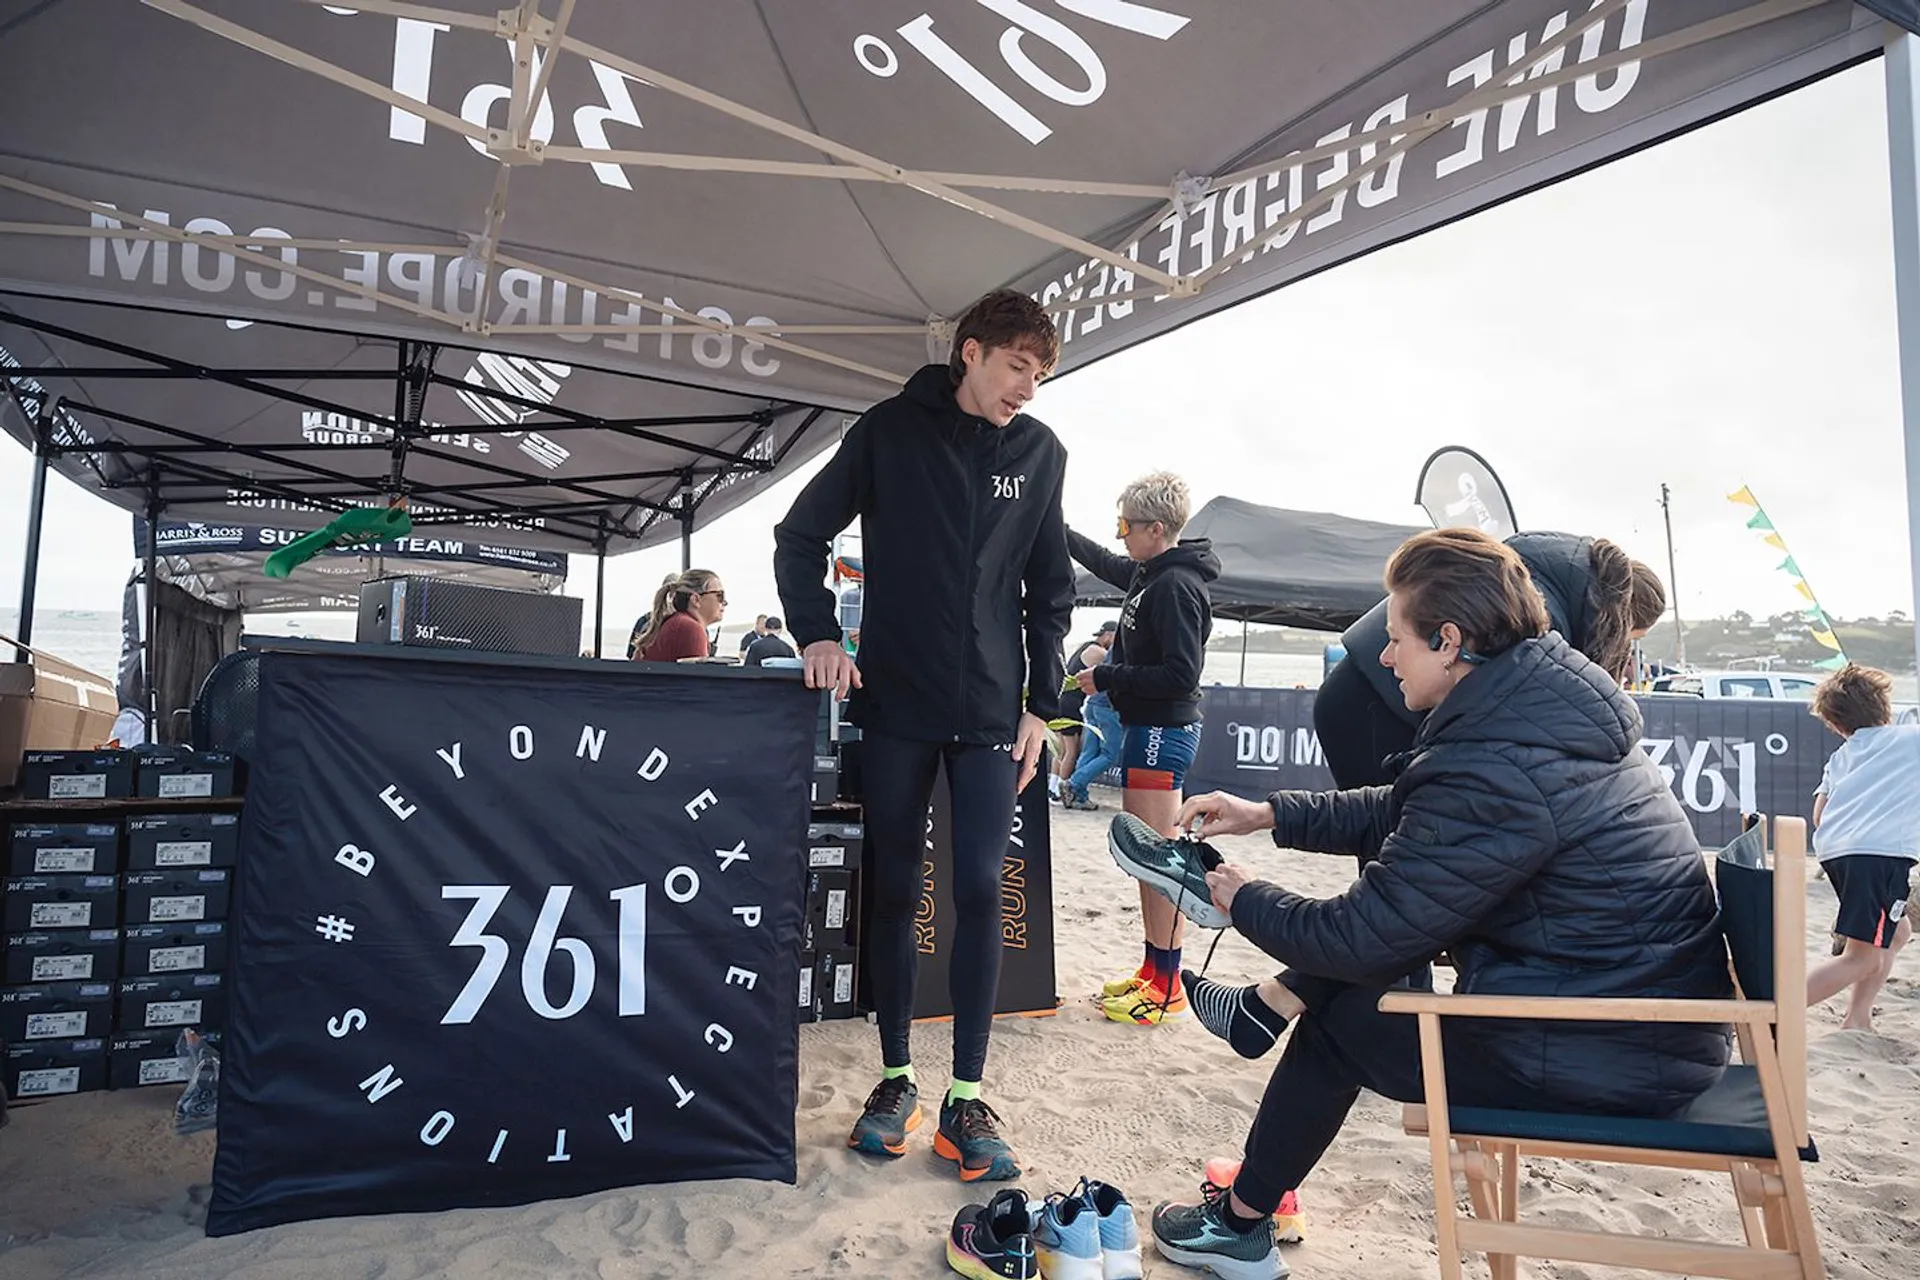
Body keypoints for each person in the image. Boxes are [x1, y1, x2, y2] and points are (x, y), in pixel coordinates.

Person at [1117, 528, 1731, 1278]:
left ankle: (1241, 1224)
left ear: (1448, 641)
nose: (1381, 655)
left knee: (1342, 1021)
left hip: (1602, 1054)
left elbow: (1359, 939)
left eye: (1397, 635)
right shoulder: (1536, 710)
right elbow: (1409, 804)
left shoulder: (1504, 759)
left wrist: (1241, 895)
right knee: (1373, 968)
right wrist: (1268, 812)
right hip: (1629, 1030)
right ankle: (1254, 1077)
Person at [773, 288, 1075, 1182]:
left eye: (1042, 373)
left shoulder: (1041, 452)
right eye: (1019, 366)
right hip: (896, 701)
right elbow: (800, 533)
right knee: (897, 888)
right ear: (972, 352)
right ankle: (896, 1077)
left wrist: (1042, 705)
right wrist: (817, 632)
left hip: (991, 714)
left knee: (981, 886)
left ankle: (967, 1096)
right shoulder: (887, 431)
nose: (1029, 386)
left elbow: (1049, 591)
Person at [1315, 531, 1667, 792]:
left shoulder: (1554, 559)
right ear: (1624, 618)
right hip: (1380, 704)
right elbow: (1508, 724)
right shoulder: (1543, 619)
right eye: (1629, 639)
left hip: (1356, 682)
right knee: (1397, 846)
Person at [1066, 473, 1220, 1026]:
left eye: (1126, 527)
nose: (1121, 536)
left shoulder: (1176, 585)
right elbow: (1109, 565)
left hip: (1164, 729)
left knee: (1159, 862)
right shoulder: (1152, 571)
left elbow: (1181, 674)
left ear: (1157, 529)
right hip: (1148, 729)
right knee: (1146, 860)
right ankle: (1155, 971)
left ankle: (1168, 985)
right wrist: (1053, 525)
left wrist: (1107, 677)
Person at [1804, 662, 1916, 1033]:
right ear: (1887, 707)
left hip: (1836, 854)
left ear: (1836, 725)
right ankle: (1773, 1008)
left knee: (1896, 933)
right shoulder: (1912, 738)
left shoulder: (1842, 757)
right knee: (1861, 958)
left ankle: (1858, 1018)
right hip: (1879, 857)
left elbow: (1820, 814)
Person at [1053, 621, 1117, 798]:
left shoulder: (1086, 648)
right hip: (1088, 704)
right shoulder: (1101, 652)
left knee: (1072, 751)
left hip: (1080, 703)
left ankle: (1068, 791)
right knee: (1075, 751)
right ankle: (1071, 785)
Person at [1061, 644, 1122, 811]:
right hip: (1109, 705)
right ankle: (1074, 784)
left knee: (1089, 752)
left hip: (1094, 703)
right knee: (1110, 754)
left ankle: (1080, 797)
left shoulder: (1115, 649)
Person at [630, 569, 726, 662]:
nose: (725, 602)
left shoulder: (676, 622)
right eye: (720, 595)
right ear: (696, 600)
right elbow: (698, 677)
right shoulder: (690, 629)